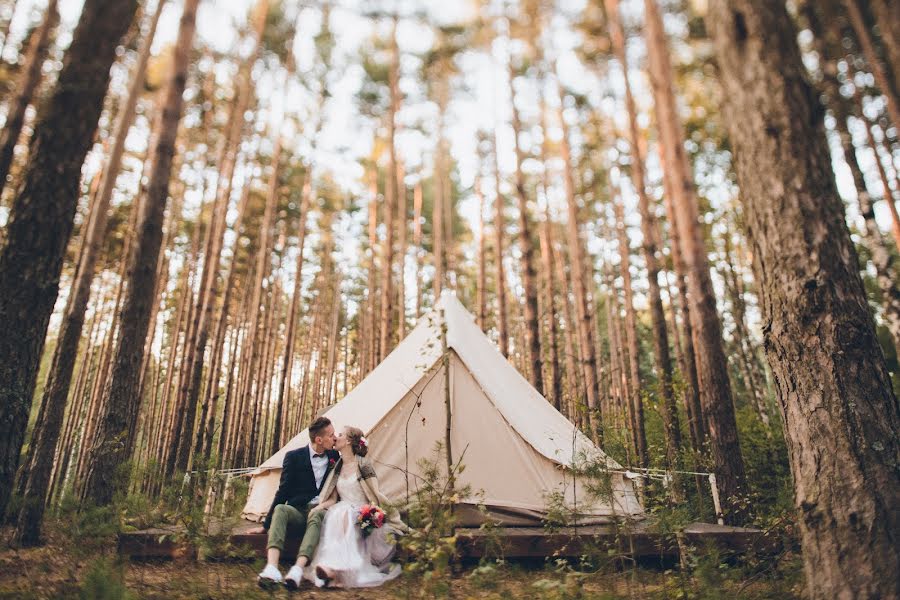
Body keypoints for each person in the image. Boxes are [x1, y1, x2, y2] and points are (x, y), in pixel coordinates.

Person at [303, 426, 407, 588]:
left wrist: (380, 513)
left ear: (349, 441)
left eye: (340, 435)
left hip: (362, 510)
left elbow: (375, 492)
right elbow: (332, 499)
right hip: (343, 509)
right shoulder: (336, 467)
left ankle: (337, 570)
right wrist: (318, 508)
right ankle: (333, 568)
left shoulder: (363, 464)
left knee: (344, 514)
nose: (336, 438)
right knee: (336, 513)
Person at [251, 416, 339, 590]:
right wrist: (266, 526)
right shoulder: (293, 457)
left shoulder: (335, 456)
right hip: (298, 512)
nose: (335, 438)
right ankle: (272, 568)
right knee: (281, 508)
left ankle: (297, 569)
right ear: (319, 439)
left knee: (317, 514)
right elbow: (282, 492)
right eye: (331, 435)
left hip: (320, 510)